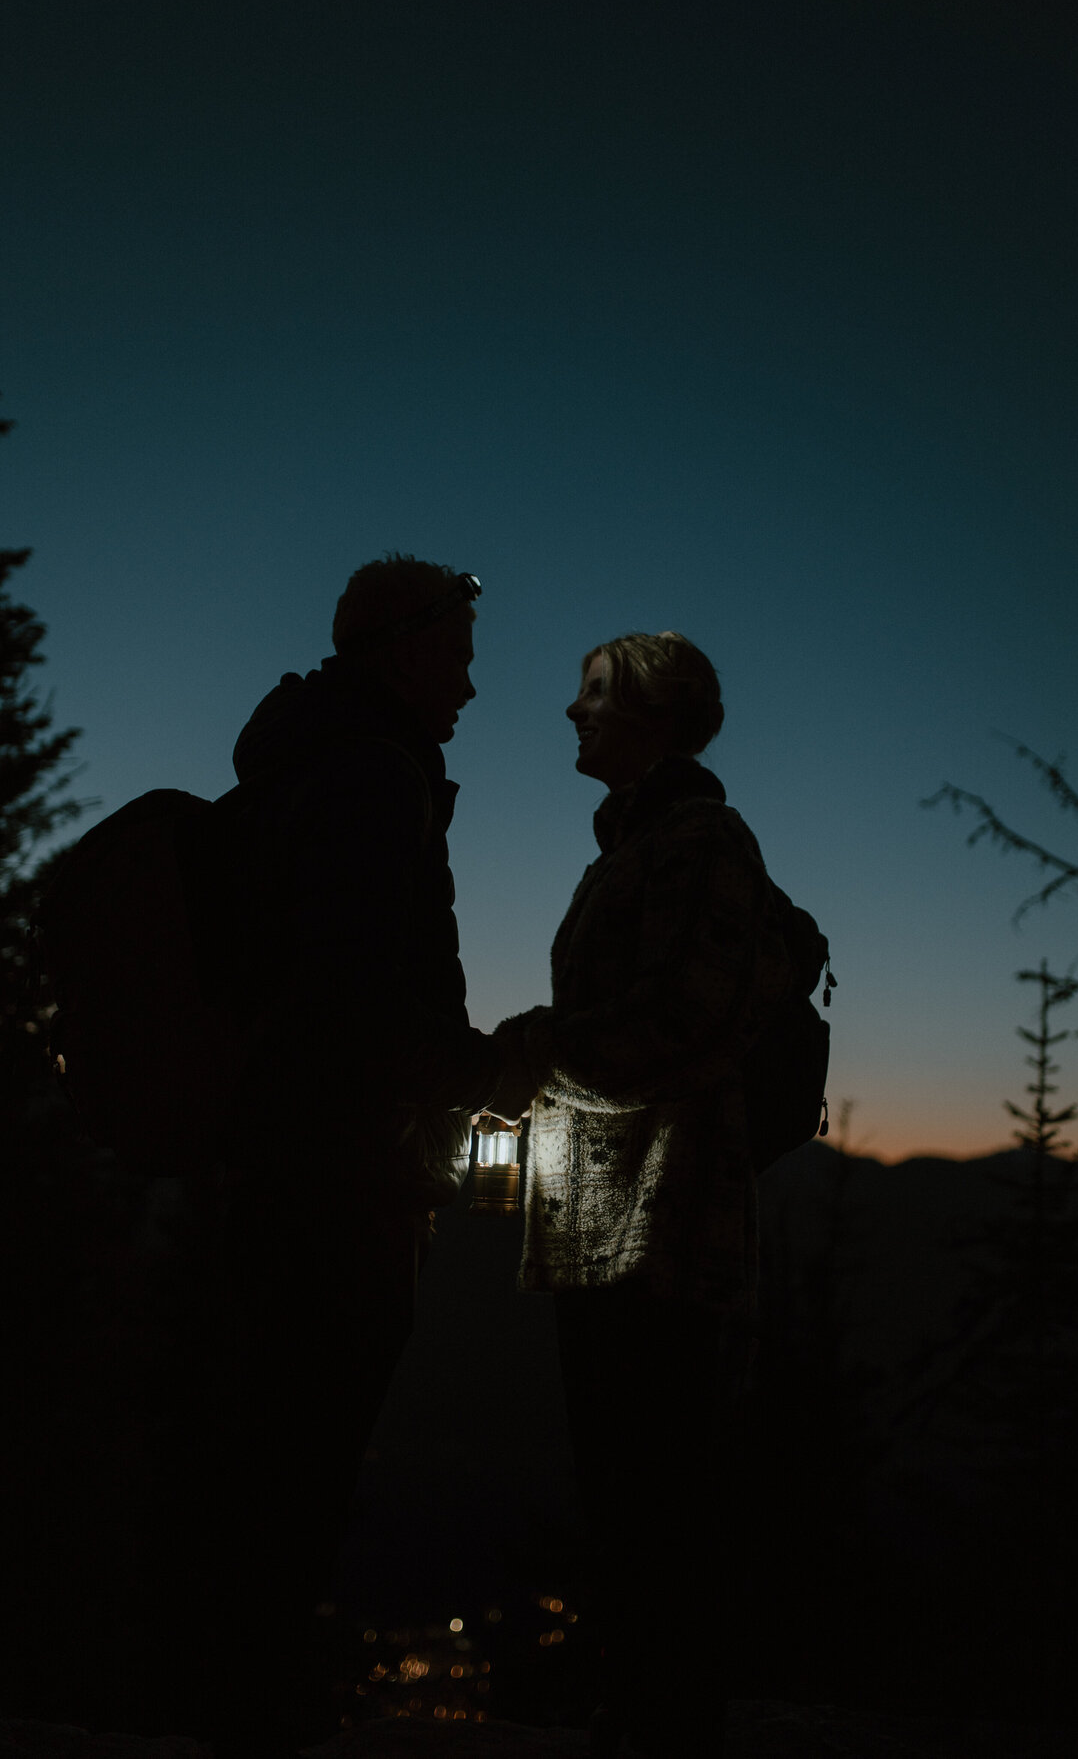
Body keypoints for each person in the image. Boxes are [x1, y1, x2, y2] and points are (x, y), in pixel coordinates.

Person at [150, 556, 531, 1754]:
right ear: (406, 651)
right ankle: (255, 1711)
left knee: (261, 1458)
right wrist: (484, 1066)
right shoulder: (371, 778)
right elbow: (362, 993)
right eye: (460, 655)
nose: (473, 684)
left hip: (268, 1164)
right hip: (335, 1181)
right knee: (297, 1469)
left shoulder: (305, 767)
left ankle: (232, 1697)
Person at [493, 632, 793, 1759]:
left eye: (595, 698)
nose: (572, 714)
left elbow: (689, 1015)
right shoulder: (642, 842)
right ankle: (647, 1712)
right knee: (627, 1487)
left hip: (662, 1218)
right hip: (607, 1217)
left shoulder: (700, 838)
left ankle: (666, 1722)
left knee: (657, 1489)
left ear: (656, 718)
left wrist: (527, 1051)